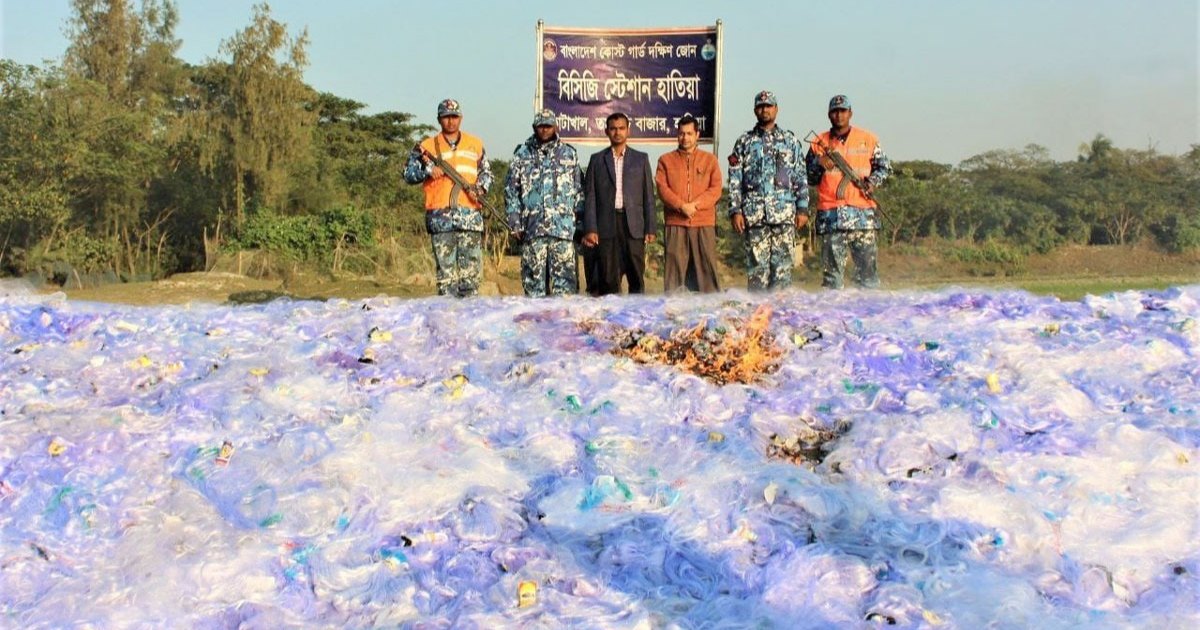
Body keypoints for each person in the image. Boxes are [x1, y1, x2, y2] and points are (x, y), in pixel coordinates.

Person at [403, 98, 493, 297]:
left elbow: (487, 173)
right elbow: (407, 174)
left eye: (454, 117)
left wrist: (480, 189)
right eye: (446, 117)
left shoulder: (475, 144)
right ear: (439, 119)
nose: (450, 121)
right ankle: (448, 323)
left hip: (470, 218)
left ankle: (470, 322)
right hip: (440, 220)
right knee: (446, 280)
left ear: (460, 118)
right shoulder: (426, 146)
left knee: (471, 279)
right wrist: (427, 169)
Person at [804, 94, 892, 289]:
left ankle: (869, 315)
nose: (839, 115)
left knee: (868, 275)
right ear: (829, 115)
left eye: (843, 111)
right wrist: (819, 164)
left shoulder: (868, 139)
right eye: (834, 112)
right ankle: (833, 318)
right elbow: (807, 177)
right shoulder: (818, 143)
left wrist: (871, 183)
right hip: (831, 216)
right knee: (832, 279)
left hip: (862, 214)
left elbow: (884, 167)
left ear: (850, 113)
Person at [727, 91, 810, 291]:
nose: (765, 110)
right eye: (761, 106)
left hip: (783, 215)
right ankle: (758, 319)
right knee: (757, 272)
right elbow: (735, 179)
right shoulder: (744, 142)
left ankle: (780, 319)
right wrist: (735, 210)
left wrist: (803, 208)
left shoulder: (790, 141)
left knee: (782, 271)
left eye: (769, 106)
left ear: (776, 109)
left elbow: (800, 175)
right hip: (755, 216)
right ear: (755, 110)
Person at [503, 109, 584, 297]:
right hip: (533, 231)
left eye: (548, 126)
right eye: (541, 126)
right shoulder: (522, 154)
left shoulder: (569, 154)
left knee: (565, 293)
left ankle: (563, 327)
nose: (544, 130)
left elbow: (579, 191)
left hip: (563, 232)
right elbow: (511, 191)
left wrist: (580, 224)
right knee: (534, 292)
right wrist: (515, 222)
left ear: (555, 126)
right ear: (534, 128)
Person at [581, 112, 657, 295]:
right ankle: (613, 321)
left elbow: (648, 196)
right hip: (607, 225)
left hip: (634, 225)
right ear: (606, 131)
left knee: (636, 277)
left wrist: (651, 227)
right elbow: (590, 197)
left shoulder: (641, 159)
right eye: (613, 129)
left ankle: (635, 319)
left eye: (621, 128)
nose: (617, 132)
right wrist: (591, 228)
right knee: (609, 278)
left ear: (628, 131)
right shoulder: (597, 160)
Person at [655, 114, 723, 292]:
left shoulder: (710, 160)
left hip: (703, 223)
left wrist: (695, 205)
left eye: (689, 133)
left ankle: (710, 316)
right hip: (676, 223)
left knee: (706, 274)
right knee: (674, 277)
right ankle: (674, 317)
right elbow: (663, 188)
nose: (685, 138)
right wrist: (681, 206)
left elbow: (715, 189)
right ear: (677, 135)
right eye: (681, 134)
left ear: (697, 135)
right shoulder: (665, 160)